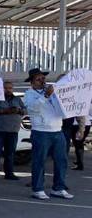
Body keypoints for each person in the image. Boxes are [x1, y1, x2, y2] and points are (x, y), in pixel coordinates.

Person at [24, 68, 73, 200]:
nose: (42, 81)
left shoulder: (53, 91)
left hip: (57, 130)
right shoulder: (29, 94)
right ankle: (38, 189)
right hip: (41, 131)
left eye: (43, 78)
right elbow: (33, 107)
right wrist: (45, 96)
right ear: (32, 82)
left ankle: (58, 188)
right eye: (38, 79)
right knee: (39, 161)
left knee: (61, 161)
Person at [0, 80, 25, 180]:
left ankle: (9, 173)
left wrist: (19, 110)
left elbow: (25, 109)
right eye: (6, 88)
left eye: (10, 88)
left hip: (13, 130)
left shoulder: (17, 99)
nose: (8, 90)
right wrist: (3, 111)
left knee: (10, 153)